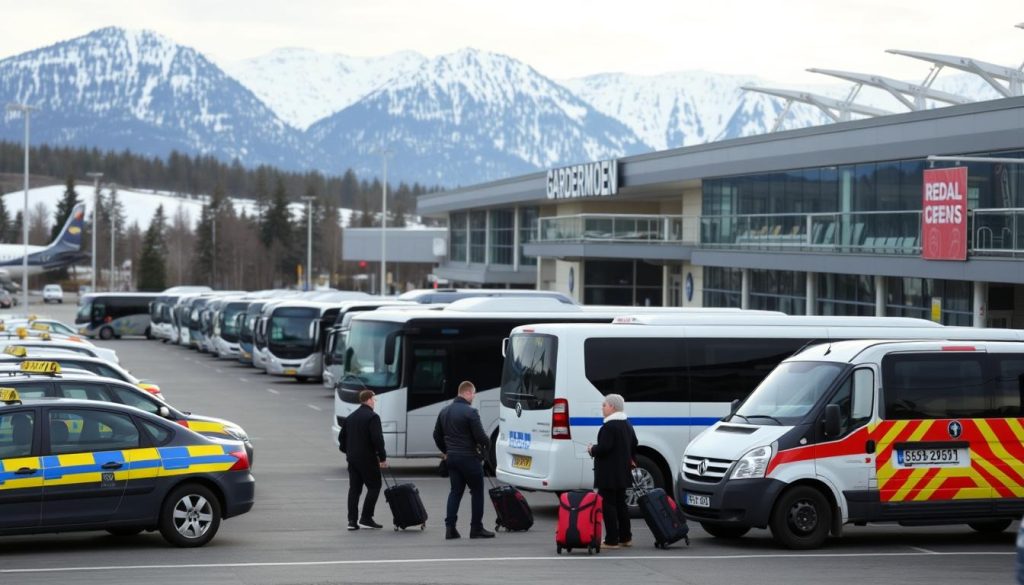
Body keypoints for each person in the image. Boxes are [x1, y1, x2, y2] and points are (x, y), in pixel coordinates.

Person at [433, 381, 494, 540]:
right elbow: (480, 437)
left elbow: (436, 435)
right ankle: (476, 528)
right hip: (469, 458)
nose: (474, 397)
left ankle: (450, 528)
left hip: (452, 459)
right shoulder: (471, 412)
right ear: (467, 393)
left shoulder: (444, 411)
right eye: (473, 394)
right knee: (477, 492)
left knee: (455, 492)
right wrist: (487, 447)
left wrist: (446, 451)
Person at [587, 393, 638, 549]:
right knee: (621, 505)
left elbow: (604, 448)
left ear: (612, 407)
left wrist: (592, 449)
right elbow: (634, 443)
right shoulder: (627, 424)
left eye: (604, 405)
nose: (602, 408)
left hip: (608, 474)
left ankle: (611, 540)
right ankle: (625, 537)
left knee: (608, 505)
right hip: (622, 472)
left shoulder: (609, 426)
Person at [341, 389, 388, 530]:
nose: (374, 402)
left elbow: (342, 439)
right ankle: (366, 518)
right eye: (373, 399)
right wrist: (382, 458)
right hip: (367, 458)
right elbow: (377, 439)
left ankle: (352, 521)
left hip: (352, 459)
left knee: (354, 489)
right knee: (374, 486)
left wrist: (348, 451)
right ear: (368, 400)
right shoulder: (373, 417)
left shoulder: (350, 418)